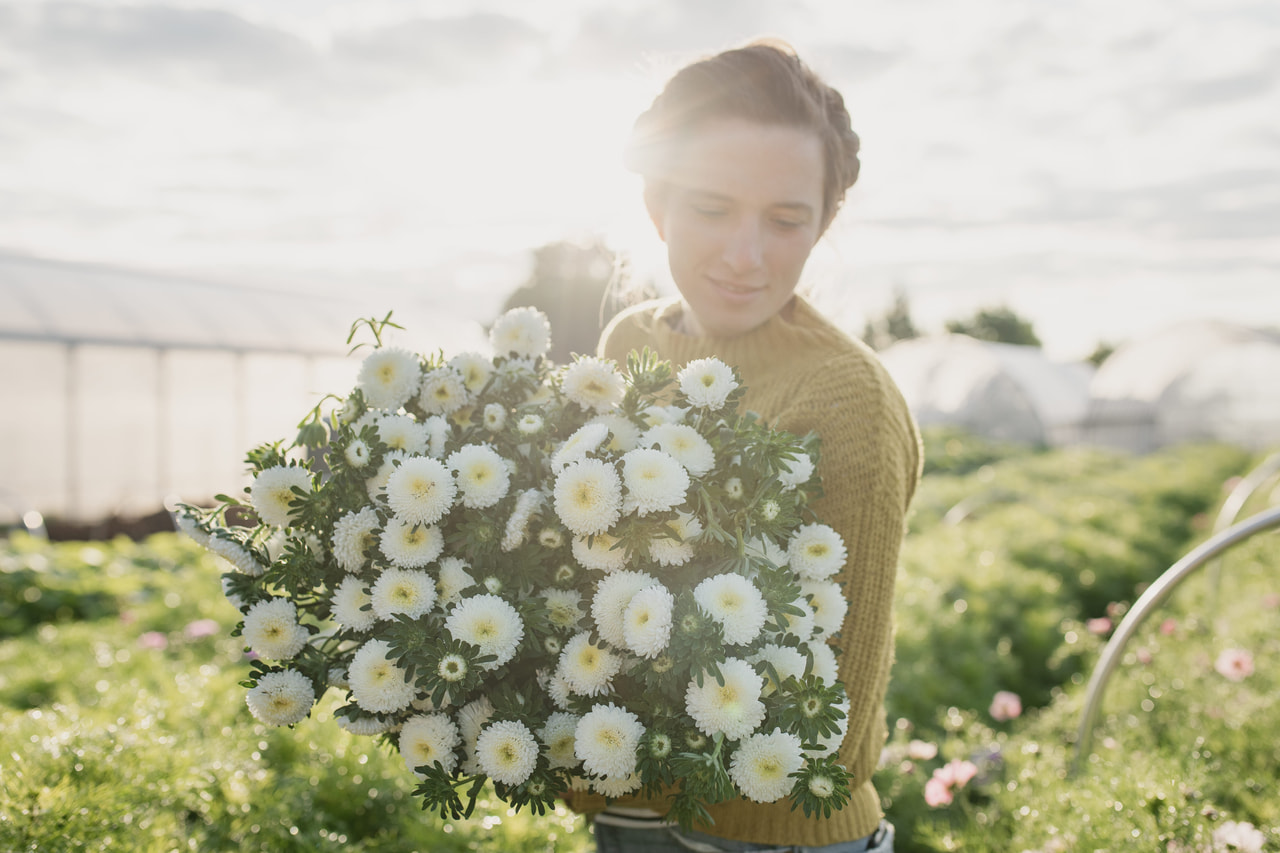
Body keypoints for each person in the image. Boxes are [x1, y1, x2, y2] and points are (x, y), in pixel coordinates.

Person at [565, 40, 922, 853]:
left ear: (823, 222)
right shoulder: (629, 342)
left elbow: (822, 711)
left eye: (786, 220)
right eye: (711, 208)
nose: (744, 255)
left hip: (770, 831)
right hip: (627, 806)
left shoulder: (848, 400)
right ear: (658, 206)